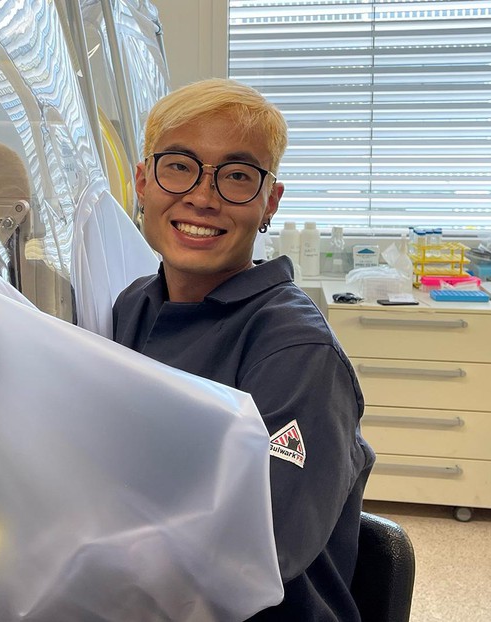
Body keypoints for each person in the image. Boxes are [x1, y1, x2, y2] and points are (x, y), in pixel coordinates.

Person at [111, 78, 375, 621]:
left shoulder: (296, 354)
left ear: (269, 202)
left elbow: (255, 555)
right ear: (142, 181)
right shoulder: (132, 306)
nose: (202, 198)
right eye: (179, 165)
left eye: (236, 176)